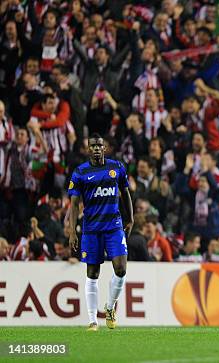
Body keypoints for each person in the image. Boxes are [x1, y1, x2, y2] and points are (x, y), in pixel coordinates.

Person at [67, 133, 134, 331]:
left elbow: (125, 193)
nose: (96, 149)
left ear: (104, 148)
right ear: (88, 149)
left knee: (121, 269)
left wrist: (130, 218)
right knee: (92, 273)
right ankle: (92, 321)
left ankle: (110, 307)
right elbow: (74, 204)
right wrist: (72, 231)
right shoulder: (80, 172)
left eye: (99, 145)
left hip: (113, 226)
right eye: (93, 146)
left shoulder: (117, 167)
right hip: (91, 229)